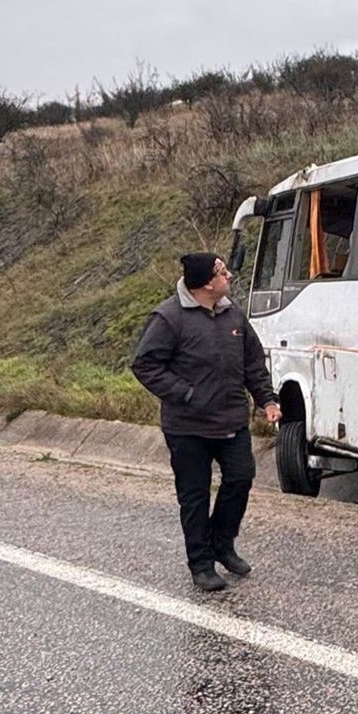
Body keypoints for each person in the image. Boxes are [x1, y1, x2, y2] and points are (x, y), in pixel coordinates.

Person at [132, 252, 280, 592]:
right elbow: (145, 365)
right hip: (187, 428)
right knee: (194, 495)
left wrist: (267, 400)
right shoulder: (168, 317)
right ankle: (200, 563)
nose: (227, 274)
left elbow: (253, 363)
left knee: (241, 479)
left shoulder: (233, 314)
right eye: (220, 271)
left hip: (231, 420)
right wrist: (185, 394)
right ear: (204, 283)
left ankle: (223, 544)